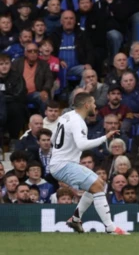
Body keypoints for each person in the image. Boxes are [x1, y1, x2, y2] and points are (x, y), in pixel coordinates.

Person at [49, 92, 128, 234]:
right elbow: (81, 145)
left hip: (59, 163)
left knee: (95, 185)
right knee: (98, 186)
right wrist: (105, 137)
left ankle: (76, 219)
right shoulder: (78, 121)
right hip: (64, 164)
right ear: (86, 105)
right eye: (93, 103)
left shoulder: (66, 116)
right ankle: (111, 228)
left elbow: (53, 140)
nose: (95, 106)